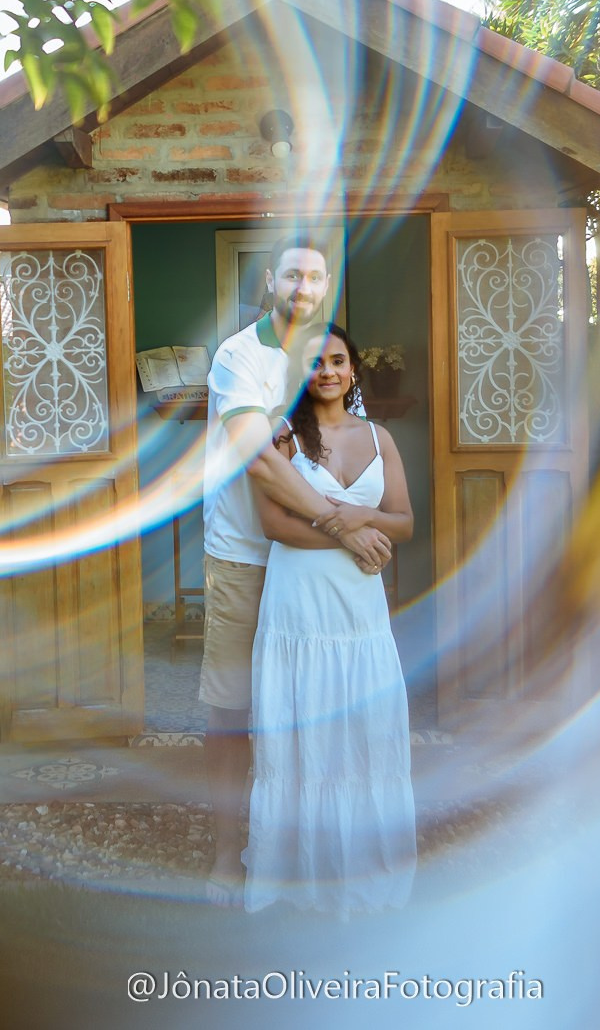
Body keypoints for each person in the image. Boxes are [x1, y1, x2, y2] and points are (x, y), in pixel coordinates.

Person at [200, 241, 389, 905]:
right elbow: (259, 460)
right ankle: (229, 852)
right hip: (246, 555)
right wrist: (343, 524)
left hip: (314, 568)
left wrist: (363, 529)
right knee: (234, 711)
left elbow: (348, 453)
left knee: (306, 713)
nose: (303, 284)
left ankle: (306, 849)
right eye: (291, 273)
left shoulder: (325, 360)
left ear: (325, 282)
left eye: (315, 274)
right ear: (272, 281)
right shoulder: (238, 356)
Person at [243, 323, 417, 915]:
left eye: (338, 361)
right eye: (316, 363)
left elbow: (403, 523)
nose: (327, 372)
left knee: (364, 728)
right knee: (305, 728)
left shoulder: (380, 438)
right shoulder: (283, 437)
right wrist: (349, 536)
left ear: (354, 369)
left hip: (359, 609)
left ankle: (364, 870)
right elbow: (274, 524)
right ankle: (297, 875)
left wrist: (354, 519)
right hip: (300, 603)